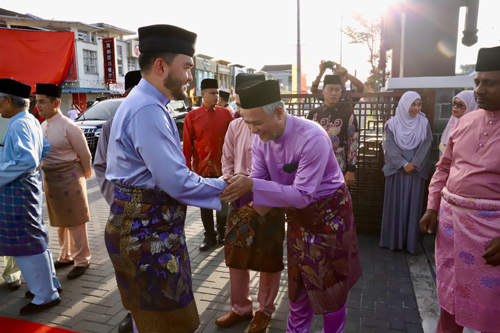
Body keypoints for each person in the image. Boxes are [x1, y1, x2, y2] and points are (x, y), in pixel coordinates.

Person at [105, 24, 228, 333]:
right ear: (161, 65)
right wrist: (228, 187)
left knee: (149, 319)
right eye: (186, 67)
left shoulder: (145, 104)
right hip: (146, 234)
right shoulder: (147, 109)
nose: (190, 76)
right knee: (167, 323)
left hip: (145, 228)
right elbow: (176, 182)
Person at [220, 80, 362, 333]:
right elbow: (260, 182)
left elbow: (301, 194)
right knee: (298, 285)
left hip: (329, 215)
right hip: (298, 217)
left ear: (279, 112)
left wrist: (250, 185)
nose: (252, 130)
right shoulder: (261, 140)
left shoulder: (313, 136)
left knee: (331, 287)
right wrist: (234, 194)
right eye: (247, 122)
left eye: (256, 122)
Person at [420, 46, 500, 333]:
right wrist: (431, 207)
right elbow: (443, 167)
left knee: (491, 308)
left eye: (490, 83)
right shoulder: (465, 122)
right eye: (477, 82)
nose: (479, 89)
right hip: (451, 229)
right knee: (449, 297)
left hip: (490, 237)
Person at [215, 75, 285, 333]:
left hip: (270, 198)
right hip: (239, 197)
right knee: (236, 256)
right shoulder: (235, 126)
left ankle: (264, 311)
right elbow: (227, 159)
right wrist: (231, 181)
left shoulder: (274, 127)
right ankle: (240, 308)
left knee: (268, 258)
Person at [0, 78, 61, 315]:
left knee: (25, 244)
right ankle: (48, 286)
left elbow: (27, 159)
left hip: (18, 191)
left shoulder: (17, 125)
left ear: (7, 101)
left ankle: (45, 295)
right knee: (35, 239)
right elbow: (43, 148)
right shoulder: (30, 121)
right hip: (27, 188)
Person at [93, 70, 141, 333]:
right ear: (126, 93)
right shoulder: (111, 126)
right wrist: (117, 200)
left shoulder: (160, 118)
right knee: (125, 264)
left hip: (156, 215)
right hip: (123, 210)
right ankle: (131, 311)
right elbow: (100, 165)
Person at [36, 83, 92, 280]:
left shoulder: (69, 126)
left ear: (56, 103)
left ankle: (82, 260)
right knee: (60, 222)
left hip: (70, 178)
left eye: (42, 101)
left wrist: (83, 176)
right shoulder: (42, 126)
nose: (38, 105)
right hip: (51, 179)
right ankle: (65, 256)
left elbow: (85, 156)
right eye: (37, 101)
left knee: (76, 222)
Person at [183, 78, 233, 251]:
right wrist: (186, 170)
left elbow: (232, 140)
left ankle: (222, 233)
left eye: (217, 93)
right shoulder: (192, 116)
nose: (215, 96)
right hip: (201, 167)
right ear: (202, 94)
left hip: (223, 167)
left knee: (223, 202)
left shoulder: (226, 114)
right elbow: (187, 145)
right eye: (212, 93)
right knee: (204, 204)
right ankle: (209, 235)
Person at [379, 91, 432, 254]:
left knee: (413, 205)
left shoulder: (423, 123)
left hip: (415, 171)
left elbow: (426, 145)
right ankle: (393, 241)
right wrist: (403, 164)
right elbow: (389, 147)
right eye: (412, 104)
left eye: (418, 104)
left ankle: (409, 242)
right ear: (404, 105)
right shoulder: (392, 124)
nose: (416, 108)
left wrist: (412, 164)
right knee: (395, 204)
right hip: (397, 170)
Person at [307, 75, 360, 186]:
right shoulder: (313, 114)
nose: (334, 93)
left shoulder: (347, 114)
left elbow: (353, 143)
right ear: (323, 91)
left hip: (338, 168)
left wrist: (351, 169)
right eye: (330, 89)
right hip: (314, 168)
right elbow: (305, 141)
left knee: (338, 200)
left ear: (341, 91)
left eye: (337, 90)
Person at [439, 90, 478, 159]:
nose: (455, 107)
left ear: (470, 106)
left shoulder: (474, 128)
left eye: (460, 105)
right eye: (454, 103)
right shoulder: (452, 123)